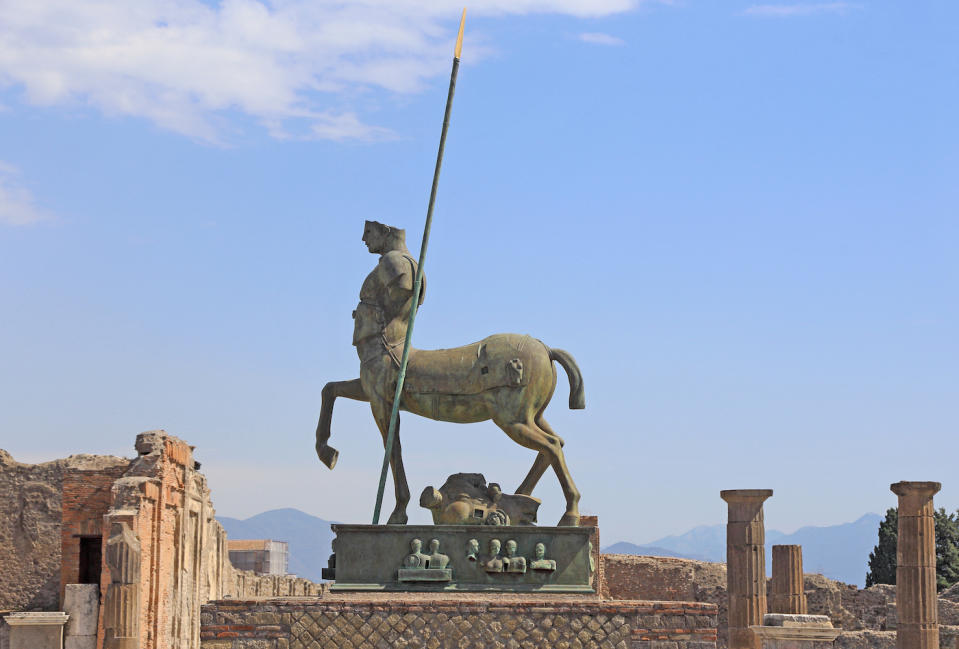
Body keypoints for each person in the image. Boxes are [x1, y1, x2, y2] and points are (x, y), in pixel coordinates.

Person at [352, 221, 425, 362]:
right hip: (385, 350)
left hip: (386, 352)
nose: (363, 238)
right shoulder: (407, 262)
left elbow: (399, 298)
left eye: (368, 232)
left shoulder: (393, 261)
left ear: (385, 232)